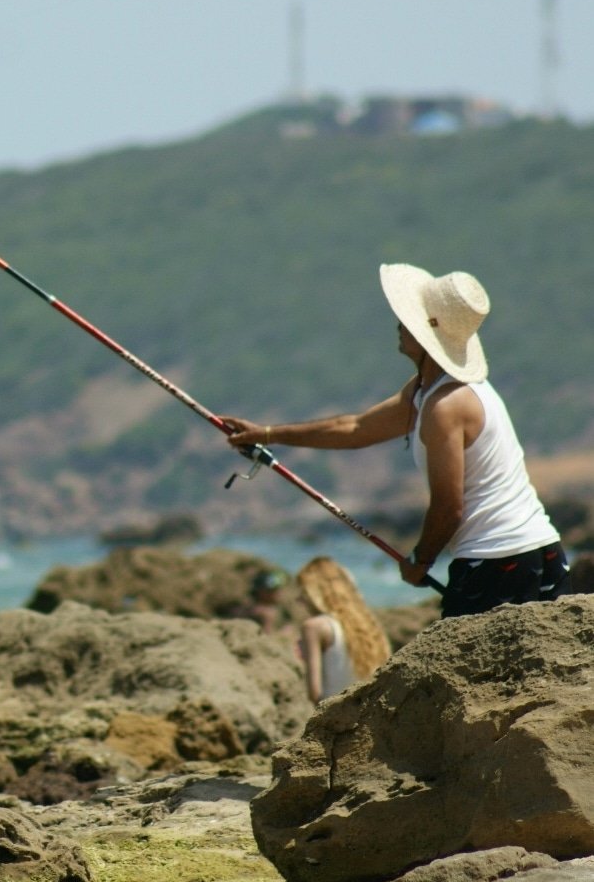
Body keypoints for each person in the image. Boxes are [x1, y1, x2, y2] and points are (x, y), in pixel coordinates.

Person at [225, 263, 571, 618]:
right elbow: (356, 428)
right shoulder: (428, 391)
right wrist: (267, 433)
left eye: (409, 320)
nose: (399, 325)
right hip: (541, 549)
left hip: (498, 560)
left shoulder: (445, 406)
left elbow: (449, 507)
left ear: (427, 336)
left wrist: (420, 559)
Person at [296, 557, 392, 704]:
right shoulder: (368, 623)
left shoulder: (314, 627)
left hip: (336, 717)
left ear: (313, 592)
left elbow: (314, 693)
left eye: (303, 591)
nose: (299, 599)